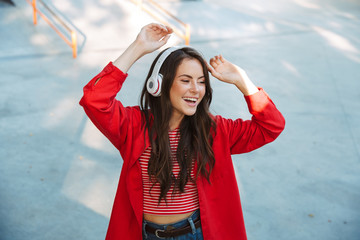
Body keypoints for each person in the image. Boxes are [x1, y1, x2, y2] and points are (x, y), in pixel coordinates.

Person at [80, 23, 285, 240]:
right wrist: (138, 47)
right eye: (185, 80)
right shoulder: (134, 125)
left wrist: (243, 82)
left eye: (201, 82)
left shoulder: (214, 130)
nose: (196, 89)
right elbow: (94, 100)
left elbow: (270, 126)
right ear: (157, 85)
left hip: (195, 233)